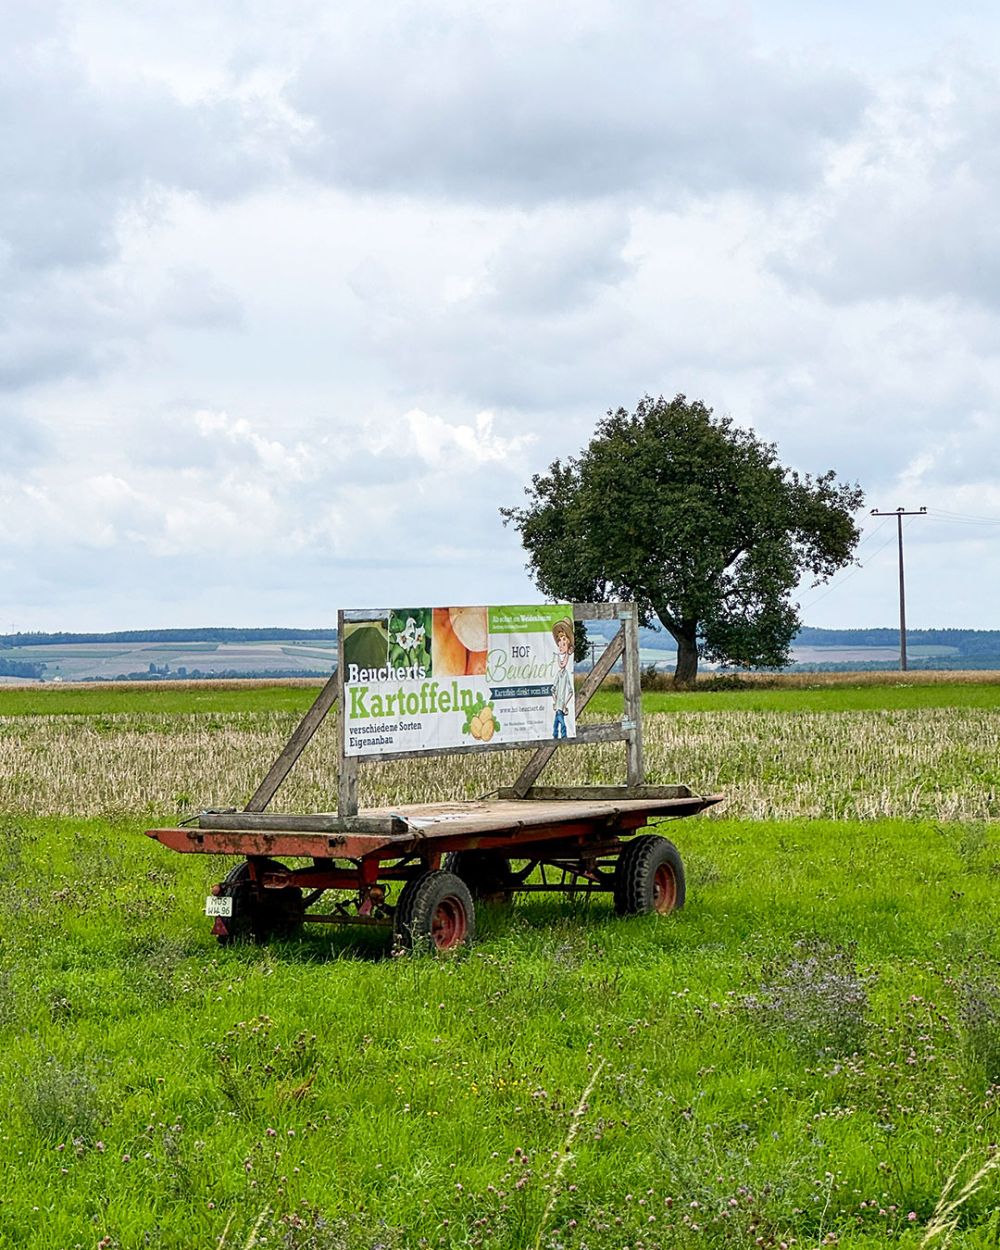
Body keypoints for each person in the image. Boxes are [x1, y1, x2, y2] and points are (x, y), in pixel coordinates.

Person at [551, 617, 574, 738]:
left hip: (561, 705)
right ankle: (559, 735)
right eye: (559, 643)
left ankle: (562, 735)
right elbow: (553, 688)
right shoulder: (559, 674)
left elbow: (570, 691)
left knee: (559, 722)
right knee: (557, 721)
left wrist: (564, 703)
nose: (561, 645)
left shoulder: (565, 674)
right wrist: (556, 702)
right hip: (559, 705)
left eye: (564, 643)